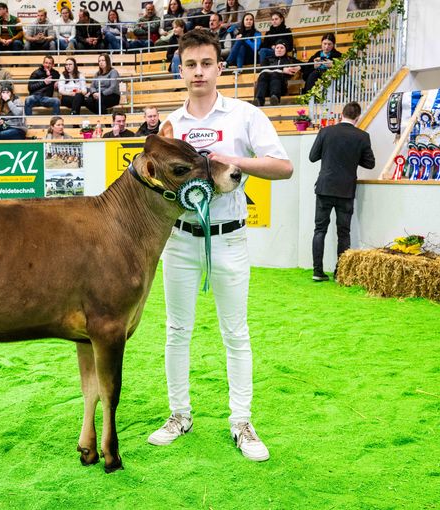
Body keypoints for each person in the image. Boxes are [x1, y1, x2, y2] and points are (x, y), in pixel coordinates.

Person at [146, 29, 293, 462]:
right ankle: (179, 415)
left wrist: (232, 163)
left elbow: (282, 167)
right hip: (180, 240)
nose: (198, 72)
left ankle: (241, 423)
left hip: (230, 240)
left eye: (206, 63)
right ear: (180, 69)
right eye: (190, 64)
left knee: (236, 333)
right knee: (176, 331)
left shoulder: (244, 116)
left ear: (219, 68)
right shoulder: (170, 125)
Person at [309, 101, 375, 282]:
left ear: (341, 115)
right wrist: (352, 157)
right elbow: (370, 163)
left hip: (325, 187)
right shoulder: (362, 136)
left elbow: (312, 156)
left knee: (319, 229)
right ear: (357, 117)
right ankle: (341, 273)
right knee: (343, 233)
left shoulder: (326, 132)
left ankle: (317, 271)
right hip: (346, 190)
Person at [255, 40, 300, 106]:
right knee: (263, 75)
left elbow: (306, 65)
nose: (279, 50)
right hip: (265, 87)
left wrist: (300, 67)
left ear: (285, 50)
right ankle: (259, 100)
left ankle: (275, 98)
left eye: (282, 48)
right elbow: (263, 69)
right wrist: (282, 69)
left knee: (275, 74)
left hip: (281, 87)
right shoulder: (267, 59)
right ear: (274, 49)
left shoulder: (290, 60)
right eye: (277, 48)